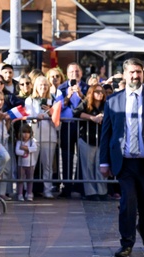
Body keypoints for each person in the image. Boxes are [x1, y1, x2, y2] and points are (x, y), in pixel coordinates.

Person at [99, 58, 144, 257]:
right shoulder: (113, 101)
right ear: (124, 74)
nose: (135, 76)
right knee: (127, 202)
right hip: (124, 162)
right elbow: (106, 133)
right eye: (131, 72)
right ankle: (127, 242)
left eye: (138, 72)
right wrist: (104, 161)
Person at [57, 63, 89, 198]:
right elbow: (58, 106)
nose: (74, 74)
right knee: (67, 156)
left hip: (83, 125)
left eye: (77, 71)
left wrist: (81, 95)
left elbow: (90, 104)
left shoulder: (87, 87)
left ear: (81, 73)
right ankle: (67, 187)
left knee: (83, 156)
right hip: (67, 124)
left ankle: (81, 187)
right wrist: (68, 97)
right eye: (71, 72)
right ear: (67, 74)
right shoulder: (62, 88)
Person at [24, 76, 58, 199]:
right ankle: (28, 191)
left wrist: (51, 113)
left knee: (48, 166)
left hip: (50, 136)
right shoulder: (30, 100)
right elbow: (28, 118)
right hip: (34, 137)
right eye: (40, 85)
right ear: (36, 87)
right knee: (31, 165)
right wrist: (36, 118)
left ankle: (47, 190)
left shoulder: (52, 100)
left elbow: (57, 122)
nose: (43, 87)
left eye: (45, 85)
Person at [74, 84, 107, 200]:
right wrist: (92, 118)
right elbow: (76, 112)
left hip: (101, 140)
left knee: (100, 166)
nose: (100, 94)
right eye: (97, 91)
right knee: (88, 167)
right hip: (87, 139)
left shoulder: (106, 105)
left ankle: (102, 192)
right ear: (92, 93)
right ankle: (91, 192)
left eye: (102, 92)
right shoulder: (86, 103)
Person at [15, 123, 38, 201]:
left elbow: (34, 148)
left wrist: (26, 149)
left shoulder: (32, 141)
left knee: (30, 179)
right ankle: (20, 194)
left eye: (28, 133)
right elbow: (17, 151)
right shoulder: (19, 142)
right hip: (21, 164)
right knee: (21, 179)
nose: (26, 135)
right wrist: (23, 152)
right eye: (24, 132)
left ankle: (29, 193)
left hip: (30, 164)